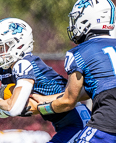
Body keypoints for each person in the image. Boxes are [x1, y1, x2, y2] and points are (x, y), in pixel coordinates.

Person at [0, 17, 91, 143]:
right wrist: (3, 103)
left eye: (3, 47)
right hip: (66, 124)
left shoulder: (23, 64)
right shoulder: (7, 70)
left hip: (77, 122)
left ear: (19, 44)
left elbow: (13, 109)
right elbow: (2, 113)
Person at [32, 0, 116, 142]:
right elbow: (92, 90)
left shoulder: (78, 52)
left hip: (107, 124)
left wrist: (40, 108)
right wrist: (47, 99)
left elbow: (68, 101)